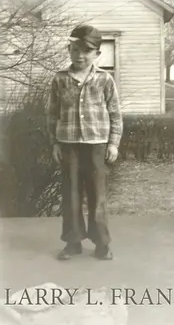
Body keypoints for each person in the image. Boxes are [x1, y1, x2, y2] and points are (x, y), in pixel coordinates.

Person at [47, 25, 123, 260]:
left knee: (97, 195)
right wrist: (55, 144)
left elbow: (115, 114)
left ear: (97, 55)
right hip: (68, 145)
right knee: (71, 195)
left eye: (86, 51)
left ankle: (102, 243)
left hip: (96, 145)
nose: (79, 55)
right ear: (69, 50)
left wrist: (113, 143)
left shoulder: (104, 79)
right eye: (75, 49)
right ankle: (73, 242)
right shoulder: (60, 79)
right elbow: (52, 114)